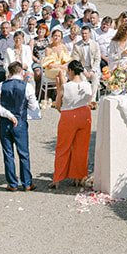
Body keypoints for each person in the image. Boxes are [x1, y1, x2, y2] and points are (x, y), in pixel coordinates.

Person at [0, 61, 36, 191]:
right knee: (24, 153)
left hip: (5, 122)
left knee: (8, 153)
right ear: (21, 72)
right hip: (20, 121)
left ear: (9, 72)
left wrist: (8, 114)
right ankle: (27, 183)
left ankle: (12, 183)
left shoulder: (1, 86)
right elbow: (33, 106)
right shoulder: (27, 87)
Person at [52, 59, 94, 190]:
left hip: (69, 116)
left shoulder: (66, 86)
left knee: (63, 147)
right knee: (81, 148)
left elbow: (58, 106)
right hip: (84, 114)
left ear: (70, 71)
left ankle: (58, 178)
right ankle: (79, 176)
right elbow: (90, 101)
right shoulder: (87, 85)